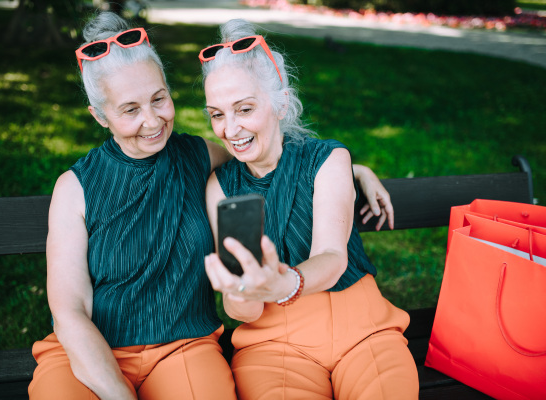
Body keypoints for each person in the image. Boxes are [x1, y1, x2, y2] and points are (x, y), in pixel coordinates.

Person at [28, 11, 394, 400]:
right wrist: (119, 393)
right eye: (130, 110)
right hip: (86, 355)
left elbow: (267, 156)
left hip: (184, 348)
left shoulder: (197, 156)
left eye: (159, 99)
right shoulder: (75, 187)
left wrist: (352, 169)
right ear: (100, 116)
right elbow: (69, 310)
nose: (152, 121)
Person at [201, 19, 418, 400]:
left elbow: (332, 257)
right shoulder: (222, 186)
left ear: (281, 103)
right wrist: (239, 292)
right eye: (217, 114)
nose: (230, 129)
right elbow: (244, 311)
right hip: (274, 345)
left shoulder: (328, 159)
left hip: (363, 328)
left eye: (244, 109)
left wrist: (286, 283)